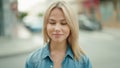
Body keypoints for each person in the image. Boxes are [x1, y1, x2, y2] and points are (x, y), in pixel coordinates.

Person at [25, 1, 92, 68]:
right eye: (52, 22)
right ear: (46, 25)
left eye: (63, 23)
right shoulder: (32, 61)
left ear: (71, 26)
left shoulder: (84, 62)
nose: (57, 28)